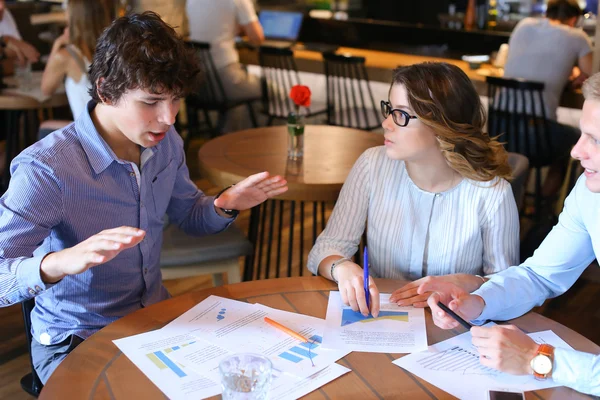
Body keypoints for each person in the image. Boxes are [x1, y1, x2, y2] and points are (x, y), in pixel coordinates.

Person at [0, 12, 287, 384]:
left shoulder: (165, 144)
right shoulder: (48, 169)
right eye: (151, 101)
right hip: (76, 337)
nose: (168, 118)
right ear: (106, 91)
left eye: (176, 100)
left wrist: (224, 203)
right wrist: (58, 263)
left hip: (151, 320)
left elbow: (189, 216)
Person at [420, 72, 600, 397]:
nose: (576, 151)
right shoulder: (590, 194)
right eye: (583, 134)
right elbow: (539, 276)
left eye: (596, 139)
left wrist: (538, 360)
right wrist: (477, 304)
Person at [307, 62, 520, 318]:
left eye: (401, 114)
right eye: (389, 109)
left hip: (452, 328)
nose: (386, 123)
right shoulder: (372, 164)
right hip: (379, 319)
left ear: (442, 126)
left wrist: (465, 283)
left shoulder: (492, 194)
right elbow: (327, 247)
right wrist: (342, 268)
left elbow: (508, 288)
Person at [502, 0, 592, 196]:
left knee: (532, 146)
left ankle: (520, 198)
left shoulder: (523, 24)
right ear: (574, 19)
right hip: (537, 133)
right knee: (575, 141)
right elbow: (589, 78)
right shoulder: (578, 36)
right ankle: (544, 208)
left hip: (501, 129)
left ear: (546, 13)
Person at [186, 0, 264, 132]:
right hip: (225, 79)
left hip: (198, 83)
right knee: (270, 88)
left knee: (237, 104)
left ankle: (227, 137)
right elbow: (257, 37)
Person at [41, 0, 111, 120]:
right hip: (112, 130)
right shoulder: (113, 50)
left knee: (44, 128)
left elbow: (46, 90)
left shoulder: (65, 56)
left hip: (86, 132)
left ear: (73, 18)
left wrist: (57, 43)